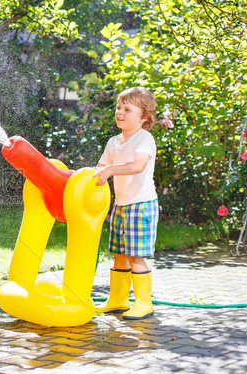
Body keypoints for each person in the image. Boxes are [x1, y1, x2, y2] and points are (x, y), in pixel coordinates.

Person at [93, 86, 158, 320]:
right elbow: (100, 169)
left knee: (135, 256)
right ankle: (118, 300)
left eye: (127, 109)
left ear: (144, 117)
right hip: (121, 205)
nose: (120, 112)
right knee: (119, 254)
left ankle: (144, 303)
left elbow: (137, 166)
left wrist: (110, 170)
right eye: (118, 107)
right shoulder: (113, 142)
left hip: (141, 205)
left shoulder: (144, 139)